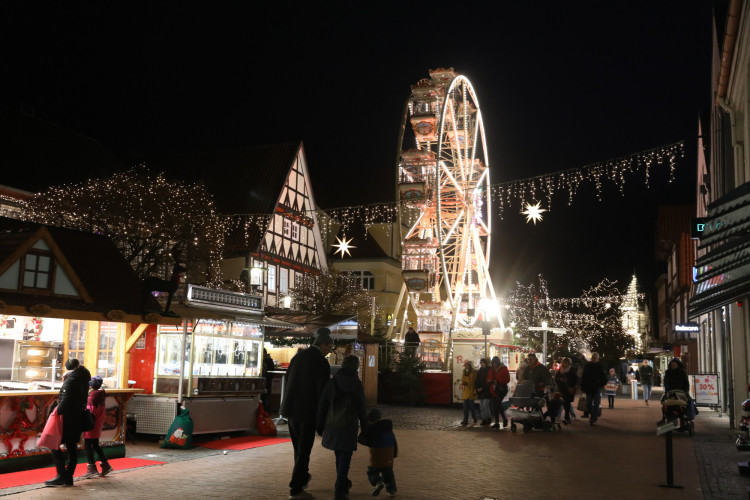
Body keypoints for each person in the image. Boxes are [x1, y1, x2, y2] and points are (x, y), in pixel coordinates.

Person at [282, 328, 334, 499]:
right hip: (307, 411)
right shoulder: (320, 362)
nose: (329, 350)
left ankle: (302, 477)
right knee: (304, 450)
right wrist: (323, 417)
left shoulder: (298, 357)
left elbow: (288, 379)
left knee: (298, 448)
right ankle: (296, 488)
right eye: (329, 346)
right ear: (323, 344)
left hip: (291, 410)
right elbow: (322, 392)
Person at [317, 355, 368, 500]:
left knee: (339, 455)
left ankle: (343, 482)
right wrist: (365, 428)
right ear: (356, 367)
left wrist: (319, 425)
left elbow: (323, 405)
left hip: (332, 424)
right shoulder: (357, 385)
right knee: (345, 456)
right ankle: (340, 488)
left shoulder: (332, 383)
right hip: (349, 425)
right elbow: (362, 409)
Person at [45, 358, 91, 487]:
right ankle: (68, 477)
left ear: (67, 369)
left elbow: (66, 399)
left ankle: (61, 475)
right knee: (72, 448)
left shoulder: (71, 379)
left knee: (53, 444)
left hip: (67, 418)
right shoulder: (84, 377)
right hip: (78, 417)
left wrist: (57, 411)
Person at [359, 408, 398, 497]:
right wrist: (394, 453)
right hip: (389, 455)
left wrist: (361, 439)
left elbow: (370, 442)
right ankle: (392, 489)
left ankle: (378, 482)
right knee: (388, 472)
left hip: (378, 454)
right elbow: (394, 441)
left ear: (369, 419)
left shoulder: (372, 429)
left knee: (372, 471)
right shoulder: (388, 428)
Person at [79, 376, 112, 479]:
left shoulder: (91, 397)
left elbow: (90, 413)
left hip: (91, 425)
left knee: (89, 445)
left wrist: (86, 425)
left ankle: (92, 468)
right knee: (95, 445)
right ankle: (105, 465)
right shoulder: (100, 395)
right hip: (97, 424)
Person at [659, 357, 691, 426]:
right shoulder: (668, 372)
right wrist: (667, 391)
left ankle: (684, 419)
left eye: (674, 365)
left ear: (678, 365)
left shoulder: (682, 372)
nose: (673, 366)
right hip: (670, 392)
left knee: (687, 403)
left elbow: (686, 383)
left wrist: (685, 391)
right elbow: (666, 383)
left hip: (681, 392)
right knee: (664, 402)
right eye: (672, 365)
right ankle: (665, 417)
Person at [580, 352, 606, 426]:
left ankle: (593, 417)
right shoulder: (587, 366)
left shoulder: (600, 366)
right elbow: (584, 376)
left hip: (597, 388)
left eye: (595, 358)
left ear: (598, 359)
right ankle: (594, 415)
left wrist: (600, 385)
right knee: (588, 403)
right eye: (593, 357)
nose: (594, 359)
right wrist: (583, 386)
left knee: (596, 403)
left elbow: (604, 377)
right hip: (589, 387)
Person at [554, 357, 578, 424]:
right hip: (561, 389)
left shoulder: (572, 371)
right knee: (565, 403)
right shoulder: (559, 371)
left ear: (569, 363)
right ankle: (567, 417)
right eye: (563, 362)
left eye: (566, 362)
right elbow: (556, 379)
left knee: (566, 403)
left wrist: (568, 381)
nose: (564, 364)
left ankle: (567, 417)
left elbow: (575, 380)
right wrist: (560, 380)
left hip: (569, 390)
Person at [489, 356, 510, 428]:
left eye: (495, 363)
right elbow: (489, 378)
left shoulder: (504, 368)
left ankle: (504, 419)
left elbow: (507, 379)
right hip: (494, 389)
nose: (494, 365)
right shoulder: (492, 370)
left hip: (501, 389)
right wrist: (490, 381)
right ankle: (498, 422)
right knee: (495, 405)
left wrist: (497, 381)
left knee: (497, 404)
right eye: (493, 363)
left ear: (497, 362)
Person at [460, 360, 479, 425]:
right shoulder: (464, 372)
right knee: (465, 408)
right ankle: (465, 420)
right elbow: (463, 379)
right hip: (466, 391)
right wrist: (464, 383)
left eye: (468, 365)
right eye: (466, 365)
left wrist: (475, 390)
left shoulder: (474, 372)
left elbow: (476, 381)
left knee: (471, 407)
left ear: (470, 366)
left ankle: (475, 418)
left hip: (471, 391)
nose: (467, 367)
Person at [474, 357, 492, 425]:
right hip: (481, 391)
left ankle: (487, 418)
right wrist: (477, 388)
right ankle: (485, 418)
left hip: (486, 391)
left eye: (482, 363)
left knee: (485, 405)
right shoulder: (479, 371)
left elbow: (488, 381)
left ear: (485, 363)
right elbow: (477, 380)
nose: (481, 364)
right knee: (482, 406)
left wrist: (482, 388)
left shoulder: (488, 370)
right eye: (480, 363)